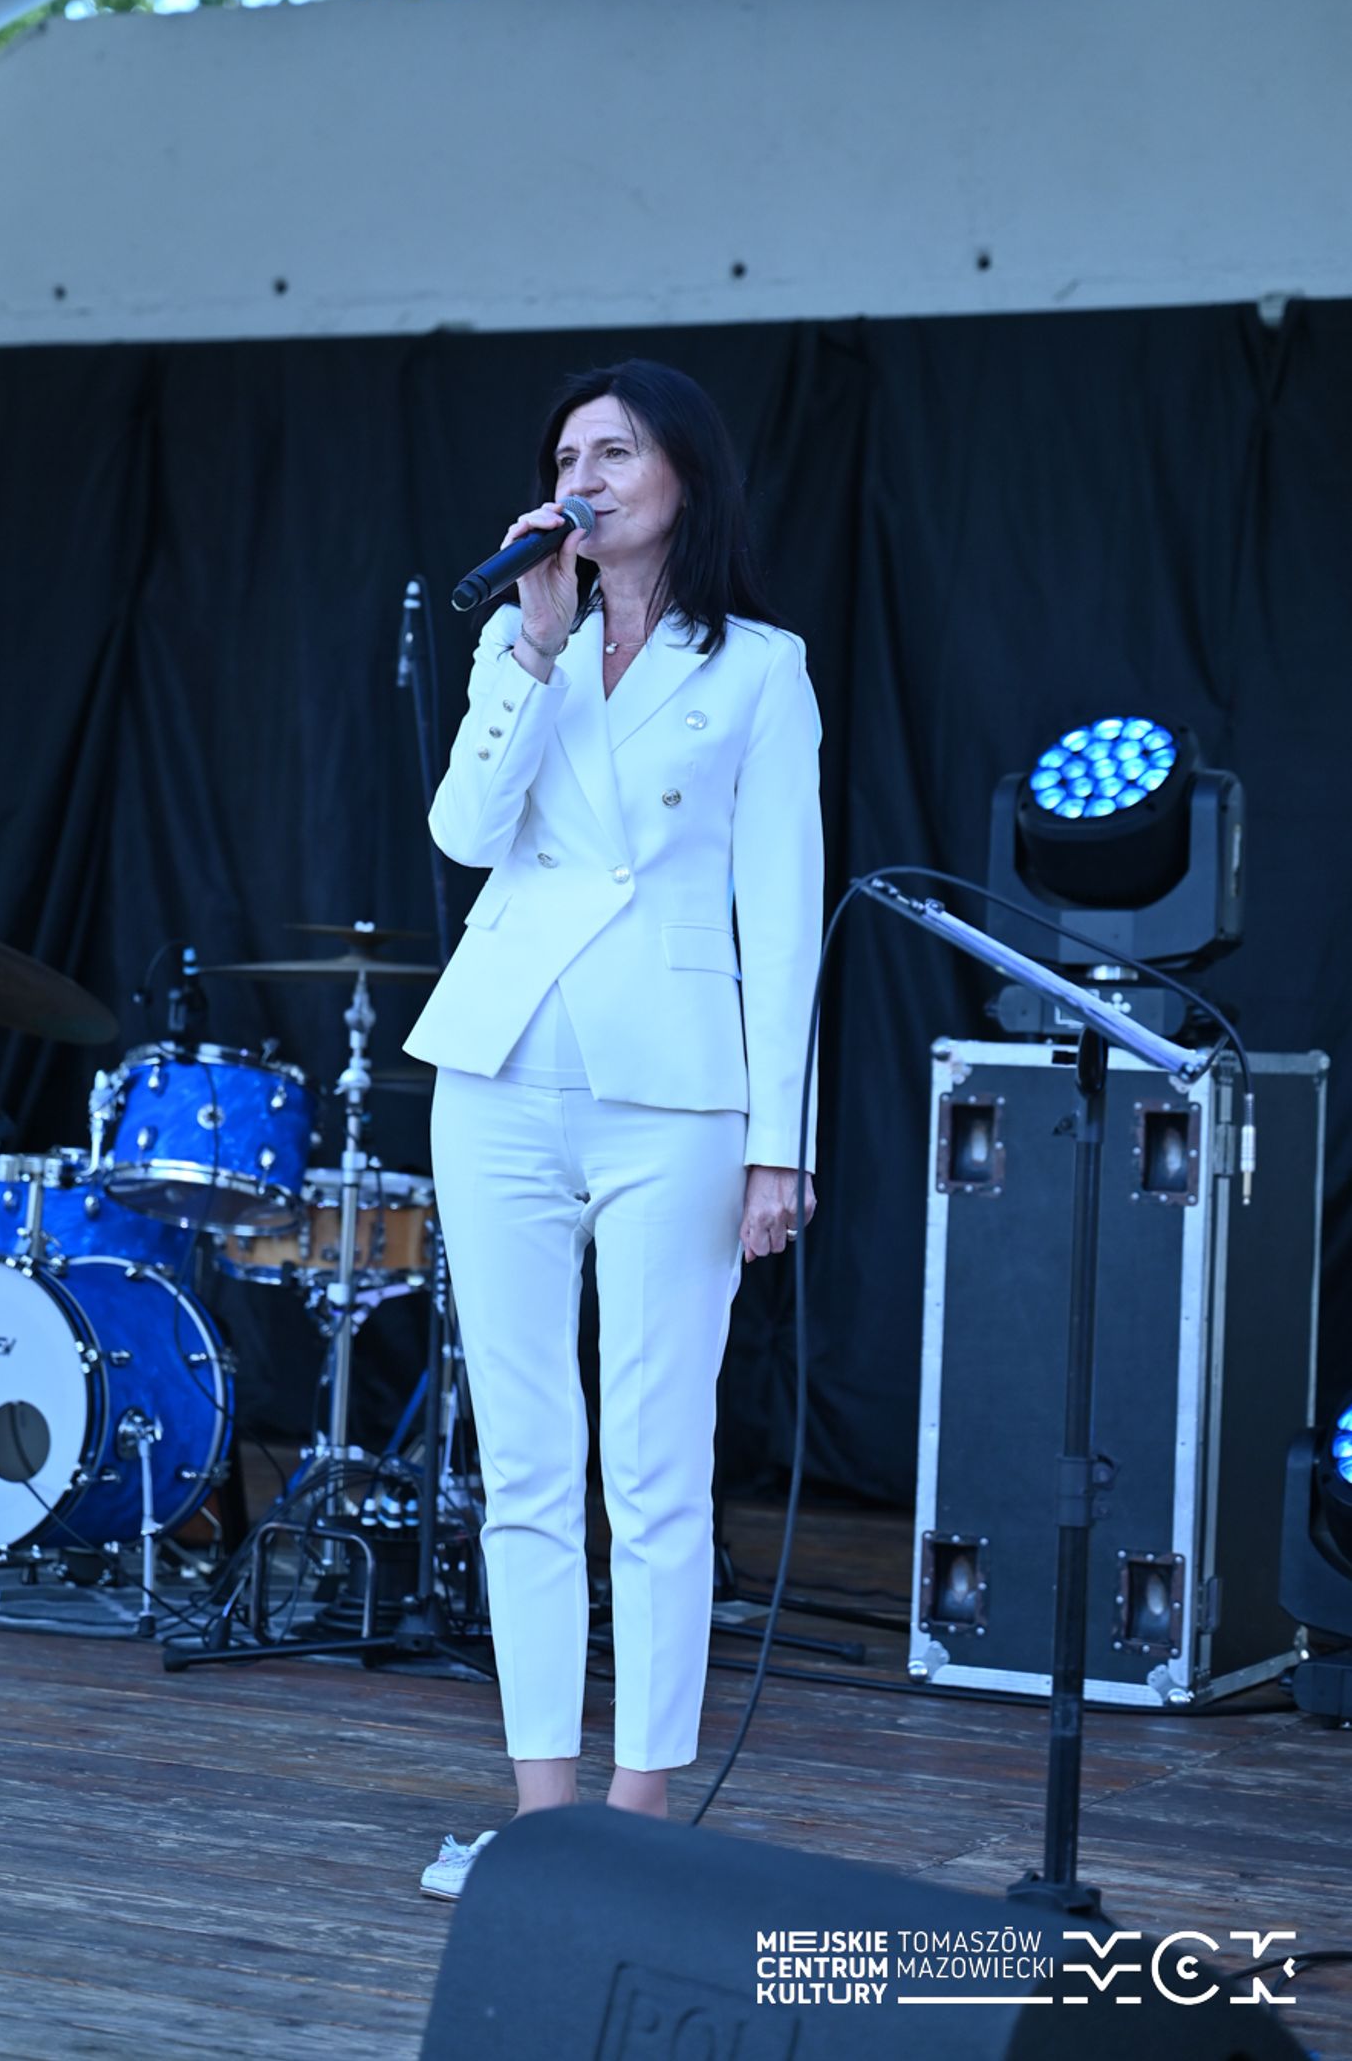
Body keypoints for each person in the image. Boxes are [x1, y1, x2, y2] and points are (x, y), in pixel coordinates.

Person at [403, 358, 823, 1897]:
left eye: (614, 452)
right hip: (499, 1071)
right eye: (565, 457)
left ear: (682, 477)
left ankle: (635, 1826)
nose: (581, 478)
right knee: (523, 1456)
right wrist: (530, 644)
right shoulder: (527, 642)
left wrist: (780, 1141)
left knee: (654, 1462)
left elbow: (784, 914)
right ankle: (538, 1820)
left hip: (675, 1092)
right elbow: (463, 834)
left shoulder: (758, 669)